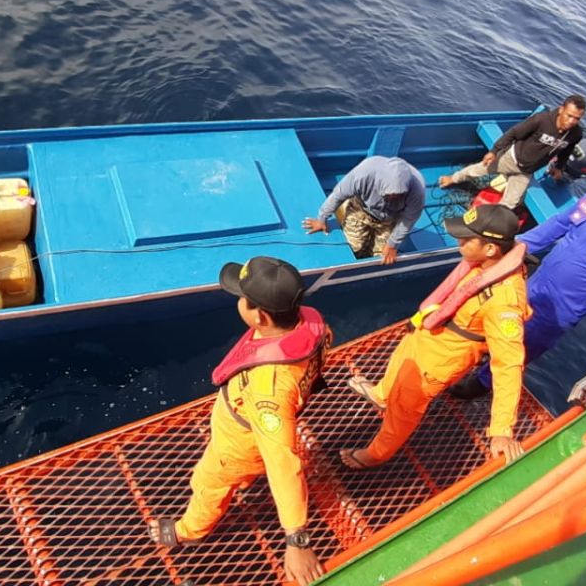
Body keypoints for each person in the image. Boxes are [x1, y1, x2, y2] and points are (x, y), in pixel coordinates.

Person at [147, 256, 330, 585]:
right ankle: (241, 482)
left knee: (208, 483)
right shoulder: (308, 321)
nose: (239, 301)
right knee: (240, 472)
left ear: (260, 315)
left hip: (240, 445)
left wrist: (297, 540)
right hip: (255, 426)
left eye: (242, 298)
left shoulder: (268, 391)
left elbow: (283, 463)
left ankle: (189, 530)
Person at [339, 203, 529, 470]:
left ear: (490, 248)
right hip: (425, 336)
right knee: (398, 362)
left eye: (466, 237)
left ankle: (377, 454)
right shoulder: (482, 263)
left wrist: (501, 429)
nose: (459, 240)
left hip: (438, 360)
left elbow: (508, 364)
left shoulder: (505, 303)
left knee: (404, 408)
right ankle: (382, 394)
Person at [452, 165, 586, 400]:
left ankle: (480, 385)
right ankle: (463, 362)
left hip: (557, 313)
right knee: (490, 323)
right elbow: (557, 225)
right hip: (533, 287)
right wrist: (512, 247)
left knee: (517, 350)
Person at [438, 96, 586, 209]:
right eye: (569, 115)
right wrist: (494, 151)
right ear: (561, 110)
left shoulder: (576, 134)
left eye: (577, 118)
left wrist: (559, 167)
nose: (572, 121)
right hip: (510, 159)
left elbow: (566, 150)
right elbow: (513, 133)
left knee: (510, 204)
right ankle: (453, 178)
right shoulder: (541, 120)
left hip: (526, 171)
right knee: (478, 170)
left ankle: (489, 223)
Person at [302, 156, 425, 265]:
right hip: (361, 210)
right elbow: (338, 195)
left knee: (381, 257)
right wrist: (322, 218)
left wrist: (392, 245)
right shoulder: (364, 174)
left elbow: (408, 219)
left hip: (390, 218)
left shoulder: (417, 190)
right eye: (389, 194)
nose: (393, 197)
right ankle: (345, 211)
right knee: (354, 247)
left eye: (398, 195)